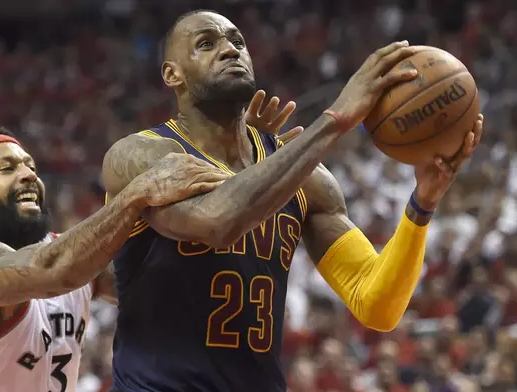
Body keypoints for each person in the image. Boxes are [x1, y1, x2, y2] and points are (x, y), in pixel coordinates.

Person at [101, 9, 484, 392]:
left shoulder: (308, 180)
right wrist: (334, 120)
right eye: (207, 44)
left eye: (238, 41)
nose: (230, 50)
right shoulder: (139, 157)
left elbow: (377, 304)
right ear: (173, 75)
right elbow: (217, 221)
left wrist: (422, 204)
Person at [0, 126, 227, 392]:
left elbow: (160, 290)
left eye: (31, 168)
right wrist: (136, 194)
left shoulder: (74, 260)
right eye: (7, 169)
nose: (28, 176)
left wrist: (233, 159)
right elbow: (50, 269)